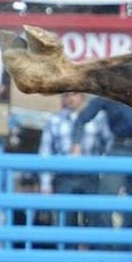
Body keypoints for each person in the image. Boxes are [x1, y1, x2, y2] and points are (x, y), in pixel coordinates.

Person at [71, 97, 132, 229]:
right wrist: (76, 144)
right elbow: (82, 118)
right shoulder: (110, 91)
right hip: (119, 148)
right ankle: (106, 245)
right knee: (105, 198)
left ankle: (131, 246)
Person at [38, 91, 111, 226]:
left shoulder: (98, 118)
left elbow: (108, 144)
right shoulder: (54, 121)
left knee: (94, 221)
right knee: (65, 222)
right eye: (66, 95)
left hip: (91, 176)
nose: (70, 98)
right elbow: (46, 152)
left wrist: (103, 172)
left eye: (74, 94)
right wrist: (45, 184)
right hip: (64, 177)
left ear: (82, 97)